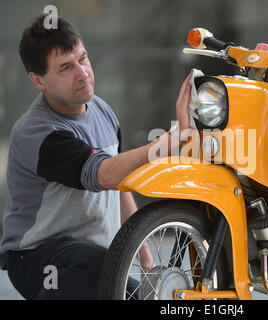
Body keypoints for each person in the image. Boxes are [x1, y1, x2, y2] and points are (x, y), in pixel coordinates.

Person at [0, 15, 192, 300]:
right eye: (66, 67)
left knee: (133, 293)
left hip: (95, 258)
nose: (83, 73)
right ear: (38, 80)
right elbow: (105, 175)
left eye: (83, 58)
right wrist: (176, 138)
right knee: (100, 272)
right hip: (36, 258)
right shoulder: (38, 132)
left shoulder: (101, 109)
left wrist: (144, 253)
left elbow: (119, 183)